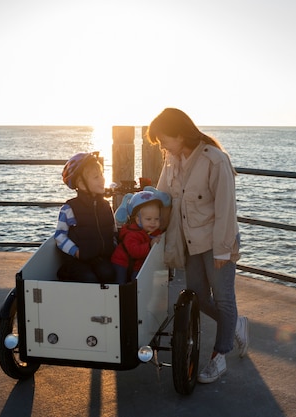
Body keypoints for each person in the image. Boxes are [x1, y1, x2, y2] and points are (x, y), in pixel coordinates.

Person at [146, 108, 249, 384]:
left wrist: (223, 250)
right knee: (198, 297)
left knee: (225, 299)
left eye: (164, 139)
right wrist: (153, 230)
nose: (162, 146)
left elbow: (226, 208)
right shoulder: (171, 160)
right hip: (190, 242)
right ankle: (236, 324)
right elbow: (163, 198)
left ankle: (219, 357)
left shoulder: (215, 160)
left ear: (180, 134)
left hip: (218, 242)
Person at [55, 151, 117, 283]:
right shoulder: (70, 208)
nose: (102, 179)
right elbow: (60, 236)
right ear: (82, 184)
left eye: (101, 175)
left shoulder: (106, 206)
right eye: (96, 177)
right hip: (77, 260)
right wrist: (76, 252)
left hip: (99, 258)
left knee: (109, 274)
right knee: (89, 279)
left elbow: (113, 230)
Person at [111, 188, 171, 284]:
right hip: (122, 262)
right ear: (138, 220)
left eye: (156, 219)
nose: (153, 222)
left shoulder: (155, 233)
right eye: (148, 219)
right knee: (121, 284)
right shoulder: (132, 233)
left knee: (141, 280)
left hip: (138, 264)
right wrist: (150, 245)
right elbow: (134, 251)